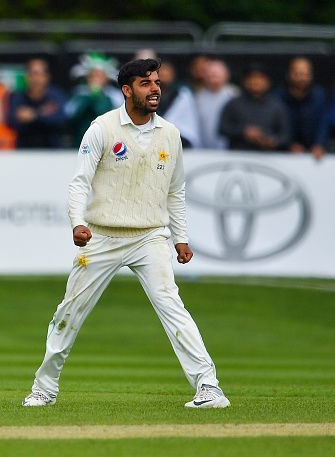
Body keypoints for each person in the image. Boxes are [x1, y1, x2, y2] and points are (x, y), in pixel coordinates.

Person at [22, 58, 229, 409]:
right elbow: (79, 183)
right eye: (146, 83)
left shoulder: (170, 134)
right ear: (127, 89)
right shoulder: (102, 128)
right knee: (69, 312)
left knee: (172, 306)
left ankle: (209, 387)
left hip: (150, 235)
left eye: (158, 82)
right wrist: (77, 223)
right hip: (102, 235)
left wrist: (180, 237)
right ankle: (44, 388)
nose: (155, 89)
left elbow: (175, 190)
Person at [219, 63, 290, 151]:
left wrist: (273, 141)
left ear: (267, 82)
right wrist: (244, 132)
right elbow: (222, 129)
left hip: (268, 158)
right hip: (238, 156)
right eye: (252, 78)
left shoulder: (277, 106)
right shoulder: (233, 103)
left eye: (260, 78)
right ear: (245, 81)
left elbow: (286, 135)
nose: (256, 81)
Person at [7, 59, 67, 149]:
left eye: (39, 74)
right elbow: (10, 121)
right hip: (25, 152)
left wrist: (34, 116)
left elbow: (62, 119)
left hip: (52, 153)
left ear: (47, 77)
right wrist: (44, 114)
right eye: (32, 74)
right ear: (26, 77)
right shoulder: (18, 96)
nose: (36, 79)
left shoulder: (56, 96)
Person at [65, 53, 121, 147]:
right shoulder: (79, 92)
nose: (96, 79)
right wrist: (89, 97)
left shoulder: (115, 95)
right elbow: (69, 113)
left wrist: (100, 98)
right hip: (80, 141)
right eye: (93, 75)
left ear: (106, 78)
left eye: (99, 76)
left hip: (107, 142)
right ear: (88, 77)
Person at [275, 57, 327, 157]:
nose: (301, 78)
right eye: (297, 74)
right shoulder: (278, 97)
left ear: (310, 76)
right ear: (289, 75)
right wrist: (288, 145)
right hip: (283, 154)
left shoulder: (319, 96)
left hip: (314, 153)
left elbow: (323, 123)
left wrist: (319, 144)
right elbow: (276, 127)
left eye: (305, 74)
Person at [195, 58, 239, 150]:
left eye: (217, 75)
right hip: (202, 150)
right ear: (204, 76)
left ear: (226, 75)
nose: (213, 78)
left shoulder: (234, 95)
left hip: (230, 149)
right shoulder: (198, 97)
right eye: (211, 75)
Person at [157, 59, 202, 148]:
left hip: (182, 135)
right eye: (161, 74)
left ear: (172, 75)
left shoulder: (183, 93)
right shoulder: (150, 93)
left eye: (167, 73)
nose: (164, 77)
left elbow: (184, 116)